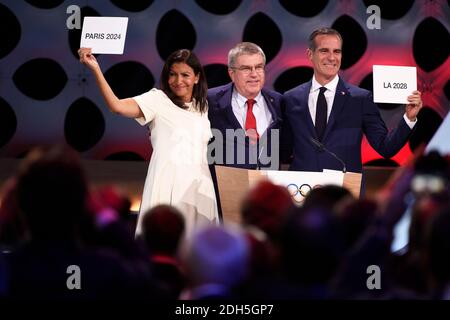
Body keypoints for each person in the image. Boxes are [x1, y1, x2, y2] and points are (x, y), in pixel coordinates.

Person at [78, 48, 219, 238]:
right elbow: (117, 107)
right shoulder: (157, 100)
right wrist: (95, 68)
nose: (178, 81)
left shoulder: (203, 107)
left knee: (199, 254)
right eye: (173, 74)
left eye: (185, 75)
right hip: (166, 184)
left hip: (200, 189)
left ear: (196, 77)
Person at [283, 28, 423, 178]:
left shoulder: (360, 99)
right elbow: (282, 149)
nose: (332, 58)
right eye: (324, 51)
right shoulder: (290, 98)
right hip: (302, 190)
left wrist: (409, 119)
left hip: (345, 193)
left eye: (337, 52)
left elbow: (386, 148)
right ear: (310, 54)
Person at [207, 42, 283, 170]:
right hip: (227, 186)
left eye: (258, 67)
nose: (254, 74)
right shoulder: (211, 100)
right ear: (232, 73)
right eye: (246, 69)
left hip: (268, 185)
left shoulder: (278, 102)